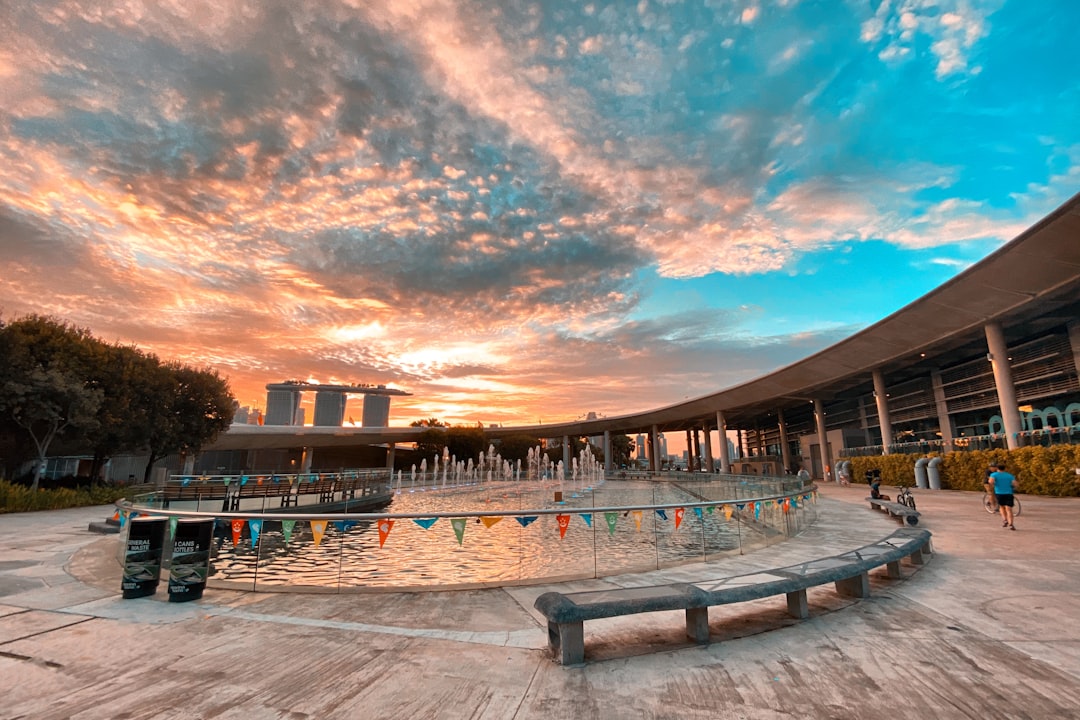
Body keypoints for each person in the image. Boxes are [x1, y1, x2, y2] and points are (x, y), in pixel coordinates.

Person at [989, 463, 1018, 530]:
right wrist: (1012, 487)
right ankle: (1011, 523)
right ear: (1004, 468)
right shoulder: (1010, 475)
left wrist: (995, 484)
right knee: (1009, 509)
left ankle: (1005, 520)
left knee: (1002, 507)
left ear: (997, 468)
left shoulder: (994, 474)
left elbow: (991, 481)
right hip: (1009, 493)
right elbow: (1015, 484)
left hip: (999, 493)